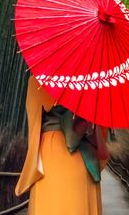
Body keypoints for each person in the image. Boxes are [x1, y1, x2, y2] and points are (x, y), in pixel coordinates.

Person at [15, 76, 110, 215]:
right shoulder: (93, 83)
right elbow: (102, 126)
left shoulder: (38, 80)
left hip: (50, 156)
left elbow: (34, 126)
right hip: (83, 158)